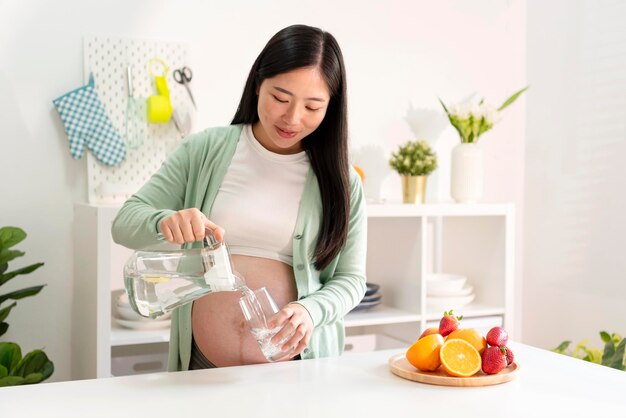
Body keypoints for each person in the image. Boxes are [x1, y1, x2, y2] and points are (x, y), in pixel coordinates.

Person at [111, 24, 367, 371]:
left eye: (312, 106)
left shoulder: (342, 181)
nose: (292, 117)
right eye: (280, 97)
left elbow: (351, 280)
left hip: (296, 371)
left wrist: (311, 310)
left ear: (331, 107)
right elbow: (124, 224)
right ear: (258, 82)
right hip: (202, 366)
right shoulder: (204, 150)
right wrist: (164, 222)